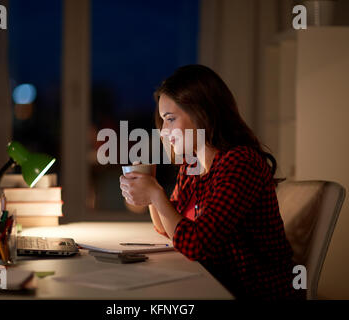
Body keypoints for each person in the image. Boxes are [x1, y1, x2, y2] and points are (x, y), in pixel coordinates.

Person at [119, 64, 305, 300]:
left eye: (170, 119)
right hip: (216, 282)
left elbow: (196, 245)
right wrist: (149, 189)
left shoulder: (240, 163)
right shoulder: (192, 164)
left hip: (253, 291)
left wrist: (156, 194)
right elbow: (171, 230)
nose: (164, 132)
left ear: (202, 114)